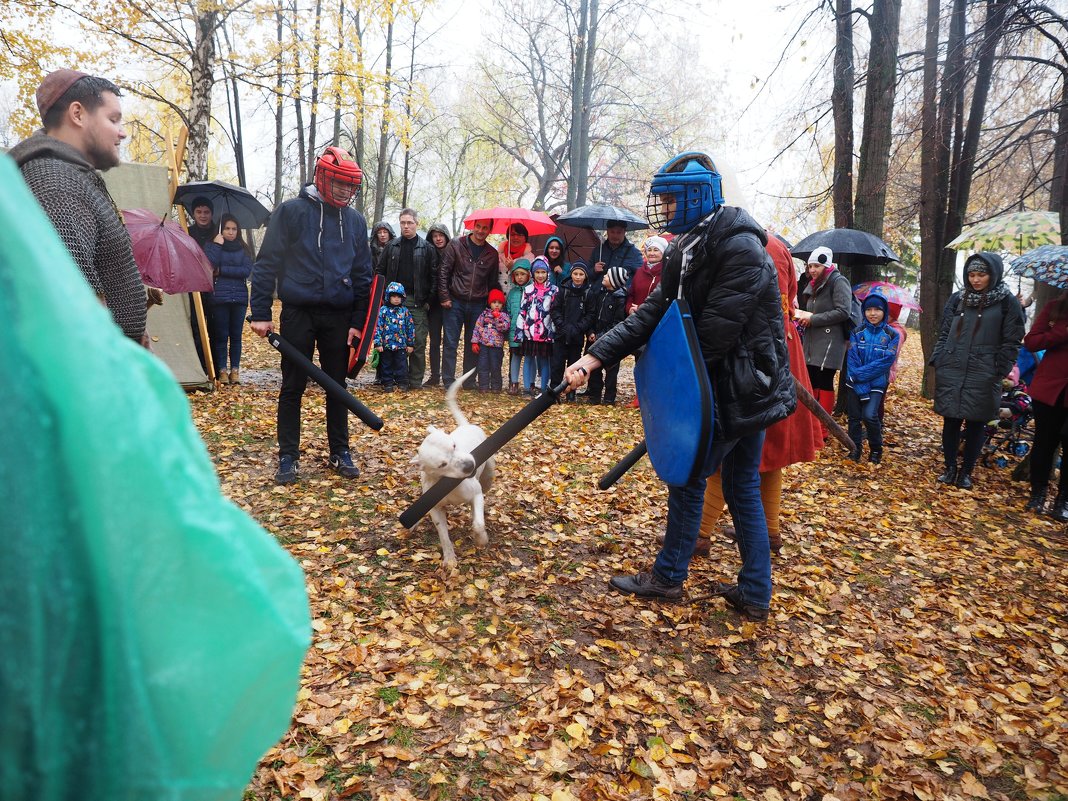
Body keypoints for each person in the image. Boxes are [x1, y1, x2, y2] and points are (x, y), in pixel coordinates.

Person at [564, 151, 794, 621]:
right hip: (720, 384)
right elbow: (655, 311)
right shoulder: (689, 246)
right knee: (739, 484)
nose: (665, 209)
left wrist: (675, 398)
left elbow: (713, 335)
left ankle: (671, 577)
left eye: (671, 200)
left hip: (741, 387)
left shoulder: (740, 248)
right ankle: (754, 591)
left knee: (695, 479)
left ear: (697, 195)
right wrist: (595, 356)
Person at [249, 146, 372, 485]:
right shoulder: (291, 213)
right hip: (298, 312)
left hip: (339, 316)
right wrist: (260, 311)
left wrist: (357, 324)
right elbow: (266, 263)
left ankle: (340, 451)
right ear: (323, 177)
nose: (347, 191)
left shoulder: (356, 221)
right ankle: (288, 455)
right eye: (341, 184)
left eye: (351, 185)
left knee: (338, 387)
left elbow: (363, 276)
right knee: (292, 386)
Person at [696, 233, 822, 557]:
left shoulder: (742, 245)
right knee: (769, 456)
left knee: (727, 452)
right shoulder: (773, 245)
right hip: (780, 350)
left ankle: (700, 533)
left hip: (757, 358)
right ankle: (768, 531)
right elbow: (789, 297)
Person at [10, 69, 149, 346]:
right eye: (113, 119)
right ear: (78, 114)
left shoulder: (70, 176)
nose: (121, 133)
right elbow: (74, 299)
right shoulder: (54, 181)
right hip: (90, 370)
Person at [930, 252, 1025, 490]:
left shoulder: (1006, 302)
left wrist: (999, 369)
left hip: (984, 373)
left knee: (976, 424)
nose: (976, 280)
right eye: (971, 274)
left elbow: (1013, 340)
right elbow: (943, 332)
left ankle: (966, 472)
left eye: (981, 274)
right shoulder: (958, 299)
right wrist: (939, 359)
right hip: (952, 367)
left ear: (992, 274)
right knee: (951, 421)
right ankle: (950, 467)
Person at [794, 246, 852, 437]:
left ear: (826, 265)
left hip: (830, 340)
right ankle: (811, 424)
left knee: (824, 380)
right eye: (810, 266)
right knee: (811, 379)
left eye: (816, 266)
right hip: (812, 339)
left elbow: (843, 311)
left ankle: (823, 428)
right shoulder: (813, 283)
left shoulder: (838, 281)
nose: (812, 270)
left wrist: (814, 319)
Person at [377, 208, 437, 389]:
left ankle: (414, 380)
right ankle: (390, 378)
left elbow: (435, 276)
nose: (406, 226)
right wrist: (382, 299)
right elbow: (379, 272)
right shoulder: (392, 246)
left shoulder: (427, 248)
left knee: (417, 343)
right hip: (392, 302)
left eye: (409, 222)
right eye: (403, 222)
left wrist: (428, 302)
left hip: (417, 301)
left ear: (416, 224)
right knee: (390, 342)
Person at [438, 218, 502, 390]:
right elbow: (444, 271)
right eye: (478, 227)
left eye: (485, 228)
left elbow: (492, 281)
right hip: (455, 301)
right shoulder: (456, 245)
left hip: (478, 304)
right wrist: (444, 296)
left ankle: (468, 380)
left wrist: (491, 306)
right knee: (451, 342)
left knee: (473, 343)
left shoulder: (491, 253)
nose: (481, 231)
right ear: (473, 227)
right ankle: (449, 380)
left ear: (489, 230)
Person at [1022, 290, 1068, 518]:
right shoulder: (1054, 309)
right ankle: (1038, 494)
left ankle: (1063, 501)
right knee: (1044, 443)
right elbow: (1031, 342)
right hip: (1049, 390)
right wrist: (1061, 332)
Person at [844, 294, 900, 464]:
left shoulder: (892, 335)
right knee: (854, 417)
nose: (873, 313)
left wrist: (860, 377)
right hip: (853, 382)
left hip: (876, 383)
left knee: (869, 415)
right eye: (868, 309)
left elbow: (884, 362)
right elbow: (852, 359)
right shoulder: (856, 332)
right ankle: (855, 449)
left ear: (884, 311)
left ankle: (876, 449)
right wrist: (858, 381)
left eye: (877, 309)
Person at [204, 213, 253, 385]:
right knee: (221, 336)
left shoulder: (244, 248)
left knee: (236, 336)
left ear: (238, 231)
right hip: (220, 297)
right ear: (221, 229)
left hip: (239, 298)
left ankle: (235, 371)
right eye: (227, 228)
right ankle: (222, 371)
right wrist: (217, 246)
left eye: (234, 229)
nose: (230, 232)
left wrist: (223, 270)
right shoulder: (213, 245)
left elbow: (246, 271)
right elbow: (209, 265)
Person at [549, 262, 595, 397]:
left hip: (577, 335)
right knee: (557, 364)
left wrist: (579, 327)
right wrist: (561, 325)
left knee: (574, 364)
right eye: (575, 274)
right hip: (561, 334)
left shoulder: (588, 293)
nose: (578, 277)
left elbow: (590, 314)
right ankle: (555, 391)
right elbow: (555, 309)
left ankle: (571, 392)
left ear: (585, 276)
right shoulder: (563, 290)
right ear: (571, 274)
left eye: (581, 274)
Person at [585, 265, 628, 405]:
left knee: (611, 369)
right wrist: (591, 331)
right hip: (595, 337)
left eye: (608, 275)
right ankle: (594, 395)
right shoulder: (601, 294)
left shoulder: (620, 299)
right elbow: (592, 314)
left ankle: (609, 397)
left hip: (612, 340)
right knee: (594, 368)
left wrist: (602, 335)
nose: (604, 276)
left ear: (614, 281)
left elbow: (617, 322)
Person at [518, 256, 558, 397]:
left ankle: (544, 388)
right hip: (529, 331)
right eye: (537, 272)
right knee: (528, 358)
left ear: (548, 273)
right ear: (533, 274)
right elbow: (522, 310)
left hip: (545, 332)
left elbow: (555, 311)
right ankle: (528, 387)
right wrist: (520, 330)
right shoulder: (528, 290)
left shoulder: (553, 290)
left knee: (544, 359)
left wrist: (553, 331)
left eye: (543, 272)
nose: (540, 275)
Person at [373, 282, 416, 392]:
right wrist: (378, 342)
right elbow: (378, 326)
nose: (396, 299)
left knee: (401, 365)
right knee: (386, 364)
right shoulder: (383, 310)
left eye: (399, 297)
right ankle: (387, 383)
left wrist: (410, 343)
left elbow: (410, 327)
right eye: (394, 296)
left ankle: (402, 382)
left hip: (401, 345)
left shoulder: (405, 311)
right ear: (388, 296)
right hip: (386, 345)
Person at [424, 222, 451, 387]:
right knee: (434, 341)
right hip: (433, 304)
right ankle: (435, 375)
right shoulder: (428, 253)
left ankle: (448, 376)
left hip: (449, 303)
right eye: (435, 236)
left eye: (441, 235)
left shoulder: (454, 253)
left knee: (449, 341)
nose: (438, 238)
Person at [471, 289, 510, 392]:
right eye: (494, 302)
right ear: (490, 303)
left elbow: (504, 328)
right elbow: (477, 327)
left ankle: (496, 387)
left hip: (496, 346)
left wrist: (498, 319)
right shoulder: (484, 314)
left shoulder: (504, 316)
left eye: (499, 303)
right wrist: (475, 342)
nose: (496, 305)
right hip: (484, 345)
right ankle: (483, 386)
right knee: (483, 366)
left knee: (495, 366)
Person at [506, 260, 531, 395]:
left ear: (528, 274)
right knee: (515, 356)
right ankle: (513, 382)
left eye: (522, 274)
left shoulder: (532, 290)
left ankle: (529, 384)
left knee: (529, 357)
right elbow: (509, 311)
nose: (520, 277)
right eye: (516, 274)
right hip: (515, 330)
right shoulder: (512, 293)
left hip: (529, 331)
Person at [627, 236, 667, 313]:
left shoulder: (666, 272)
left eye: (656, 250)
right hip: (635, 317)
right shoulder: (639, 271)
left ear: (663, 253)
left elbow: (663, 300)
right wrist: (629, 309)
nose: (652, 253)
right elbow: (631, 294)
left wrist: (641, 308)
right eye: (649, 250)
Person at [497, 223, 534, 294]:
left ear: (525, 237)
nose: (516, 237)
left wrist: (512, 268)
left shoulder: (530, 258)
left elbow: (530, 281)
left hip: (517, 300)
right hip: (498, 300)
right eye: (513, 234)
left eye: (520, 235)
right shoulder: (499, 255)